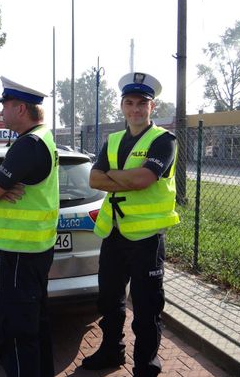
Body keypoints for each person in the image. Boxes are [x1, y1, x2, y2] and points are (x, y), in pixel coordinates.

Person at [83, 72, 179, 376]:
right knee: (109, 301)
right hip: (113, 234)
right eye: (129, 102)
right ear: (122, 106)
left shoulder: (164, 141)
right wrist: (127, 179)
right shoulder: (111, 141)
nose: (135, 109)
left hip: (147, 238)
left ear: (152, 107)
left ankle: (146, 365)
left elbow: (145, 179)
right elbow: (93, 179)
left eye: (142, 103)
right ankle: (112, 352)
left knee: (147, 307)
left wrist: (113, 178)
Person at [0, 76, 59, 377]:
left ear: (21, 109)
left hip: (21, 254)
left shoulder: (28, 145)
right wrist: (0, 185)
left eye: (6, 106)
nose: (2, 112)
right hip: (37, 250)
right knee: (36, 324)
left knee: (16, 332)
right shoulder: (44, 138)